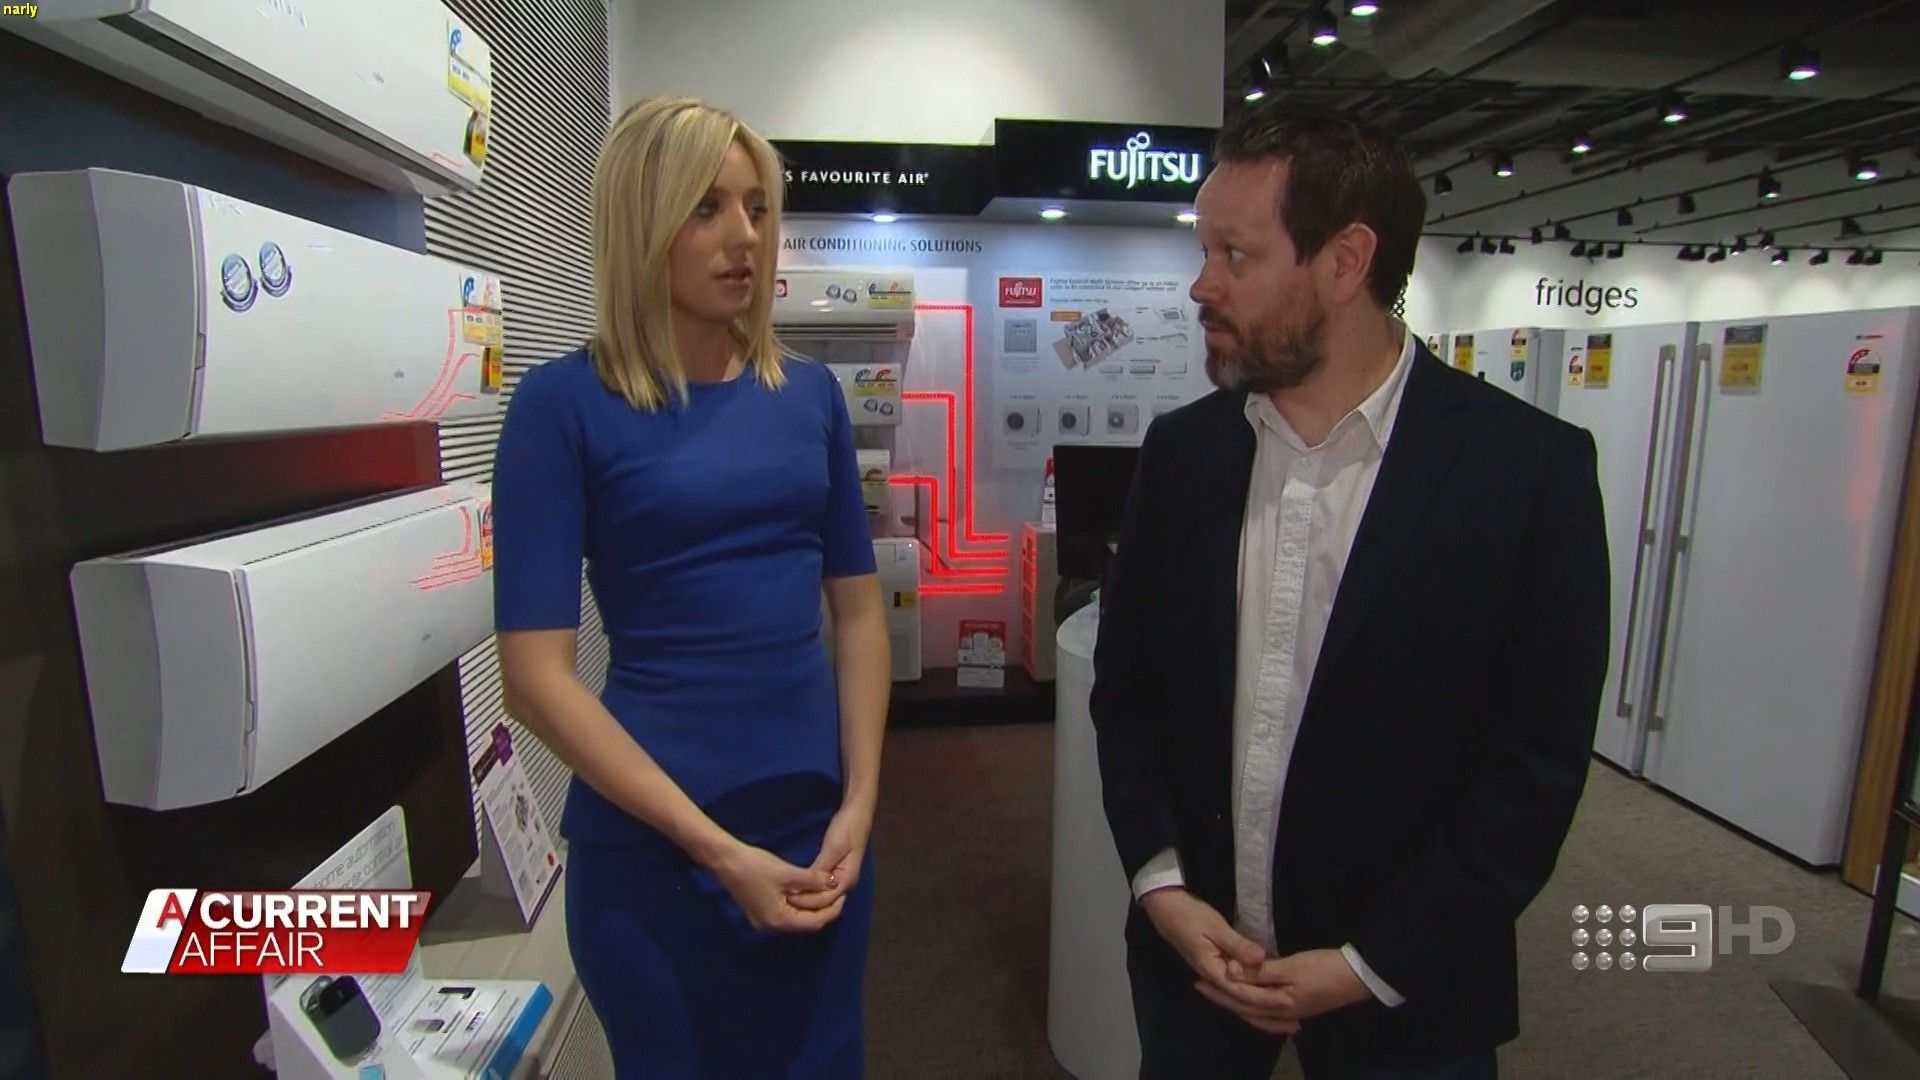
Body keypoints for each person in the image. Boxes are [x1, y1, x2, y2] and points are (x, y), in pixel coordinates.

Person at [1089, 101, 1609, 1079]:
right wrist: (1161, 885)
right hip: (1193, 972)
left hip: (1410, 992)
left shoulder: (1528, 474)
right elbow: (1128, 695)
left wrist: (1372, 964)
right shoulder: (1182, 454)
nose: (1201, 285)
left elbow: (1532, 769)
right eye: (1204, 251)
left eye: (1235, 255)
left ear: (1344, 261)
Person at [490, 96, 891, 1077]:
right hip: (657, 858)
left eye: (756, 207)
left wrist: (861, 803)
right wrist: (716, 850)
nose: (744, 235)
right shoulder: (561, 407)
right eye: (707, 207)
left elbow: (858, 614)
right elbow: (534, 680)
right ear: (643, 222)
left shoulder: (810, 398)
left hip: (817, 835)